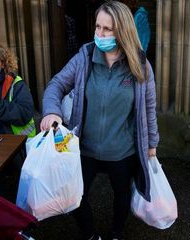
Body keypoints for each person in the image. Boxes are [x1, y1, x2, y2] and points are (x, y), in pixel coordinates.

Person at [41, 1, 159, 239]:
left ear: (123, 31)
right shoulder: (85, 56)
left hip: (122, 150)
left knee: (122, 195)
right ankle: (90, 234)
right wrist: (51, 111)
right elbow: (57, 84)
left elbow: (149, 107)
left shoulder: (140, 63)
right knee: (74, 195)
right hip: (85, 147)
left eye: (108, 29)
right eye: (98, 27)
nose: (100, 34)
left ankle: (116, 233)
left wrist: (152, 144)